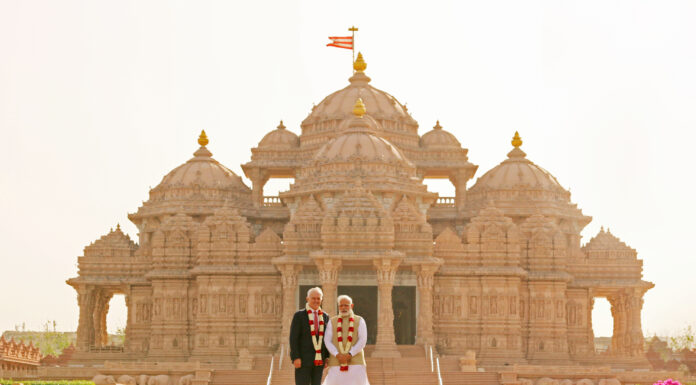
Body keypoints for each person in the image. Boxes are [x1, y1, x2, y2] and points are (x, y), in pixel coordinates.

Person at [323, 295, 370, 385]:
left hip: (355, 362)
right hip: (337, 362)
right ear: (338, 307)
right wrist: (337, 355)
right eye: (341, 305)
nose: (343, 308)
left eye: (346, 305)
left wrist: (350, 354)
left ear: (351, 306)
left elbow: (362, 340)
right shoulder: (332, 321)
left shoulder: (359, 320)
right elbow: (327, 340)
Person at [290, 287, 330, 385]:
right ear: (307, 299)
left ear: (321, 299)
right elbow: (293, 338)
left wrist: (327, 357)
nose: (316, 301)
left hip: (319, 361)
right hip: (302, 361)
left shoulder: (325, 316)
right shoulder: (299, 316)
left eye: (318, 298)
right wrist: (295, 357)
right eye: (313, 298)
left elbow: (327, 338)